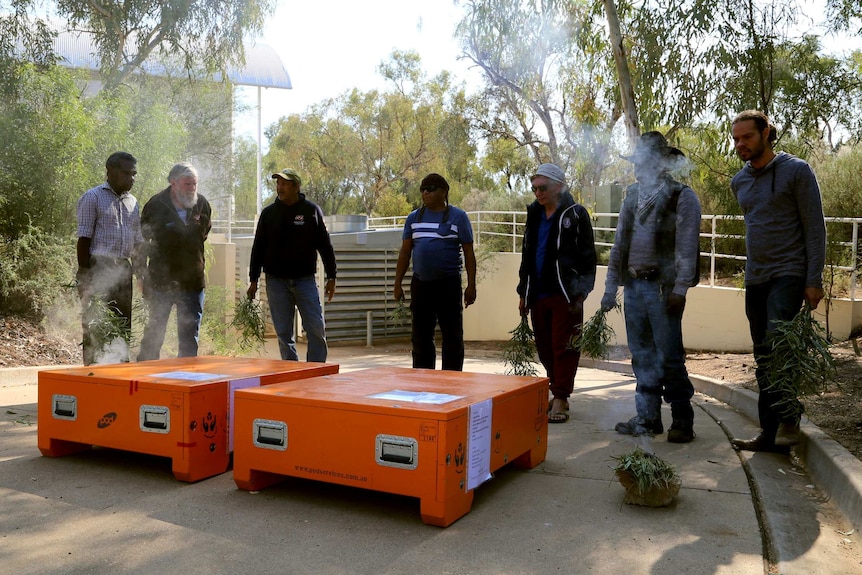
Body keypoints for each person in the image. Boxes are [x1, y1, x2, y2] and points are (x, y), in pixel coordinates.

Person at [728, 110, 827, 452]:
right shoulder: (739, 180)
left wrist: (813, 279)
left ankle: (789, 420)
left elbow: (815, 227)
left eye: (748, 137)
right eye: (736, 138)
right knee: (763, 355)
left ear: (767, 133)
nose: (740, 144)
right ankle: (768, 433)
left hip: (789, 272)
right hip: (756, 277)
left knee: (778, 345)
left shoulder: (796, 171)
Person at [601, 132, 701, 442]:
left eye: (642, 161)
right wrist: (609, 289)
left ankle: (682, 418)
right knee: (642, 355)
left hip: (662, 289)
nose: (636, 168)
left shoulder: (681, 197)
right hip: (634, 288)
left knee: (669, 355)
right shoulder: (631, 197)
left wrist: (680, 289)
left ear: (659, 163)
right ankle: (647, 417)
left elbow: (686, 247)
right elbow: (619, 245)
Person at [517, 163, 597, 424]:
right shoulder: (534, 214)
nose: (538, 193)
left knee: (565, 346)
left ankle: (561, 396)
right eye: (535, 188)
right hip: (537, 291)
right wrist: (523, 292)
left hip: (566, 293)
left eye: (543, 188)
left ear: (559, 186)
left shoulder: (576, 214)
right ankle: (557, 390)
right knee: (544, 347)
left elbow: (588, 256)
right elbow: (527, 254)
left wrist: (582, 292)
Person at [248, 168, 337, 362]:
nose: (280, 187)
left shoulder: (310, 211)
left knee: (315, 327)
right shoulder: (268, 214)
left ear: (296, 187)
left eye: (284, 184)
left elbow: (325, 245)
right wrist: (253, 280)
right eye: (278, 183)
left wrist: (332, 276)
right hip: (276, 282)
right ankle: (291, 370)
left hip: (305, 280)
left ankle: (316, 370)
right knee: (283, 332)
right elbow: (258, 248)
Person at [393, 173, 477, 371]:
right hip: (421, 284)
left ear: (443, 192)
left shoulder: (458, 217)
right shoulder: (414, 218)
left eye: (430, 188)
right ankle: (423, 379)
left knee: (452, 336)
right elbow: (405, 253)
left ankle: (452, 380)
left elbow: (469, 253)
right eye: (422, 189)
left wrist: (472, 286)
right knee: (421, 337)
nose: (425, 192)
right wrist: (397, 284)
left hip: (448, 284)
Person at [137, 162, 212, 361]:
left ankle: (184, 381)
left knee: (189, 337)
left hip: (192, 283)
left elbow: (202, 235)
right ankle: (143, 377)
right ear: (174, 183)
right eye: (188, 184)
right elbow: (141, 242)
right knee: (154, 332)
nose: (192, 189)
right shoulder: (155, 205)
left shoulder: (202, 204)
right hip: (160, 282)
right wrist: (141, 275)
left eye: (194, 184)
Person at [76, 151, 145, 365]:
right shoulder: (93, 197)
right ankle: (93, 372)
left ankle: (119, 370)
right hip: (99, 267)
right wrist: (85, 274)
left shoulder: (133, 202)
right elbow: (84, 238)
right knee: (96, 322)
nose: (131, 178)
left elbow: (138, 242)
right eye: (126, 173)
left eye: (134, 174)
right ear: (110, 172)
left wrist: (141, 273)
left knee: (123, 322)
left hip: (123, 269)